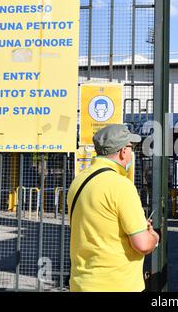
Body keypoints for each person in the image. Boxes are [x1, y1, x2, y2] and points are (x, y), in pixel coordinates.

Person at [67, 124, 159, 292]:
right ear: (123, 151)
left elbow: (99, 225)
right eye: (132, 148)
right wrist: (153, 236)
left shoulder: (78, 181)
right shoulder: (121, 186)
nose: (132, 154)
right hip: (116, 285)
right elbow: (143, 245)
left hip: (81, 283)